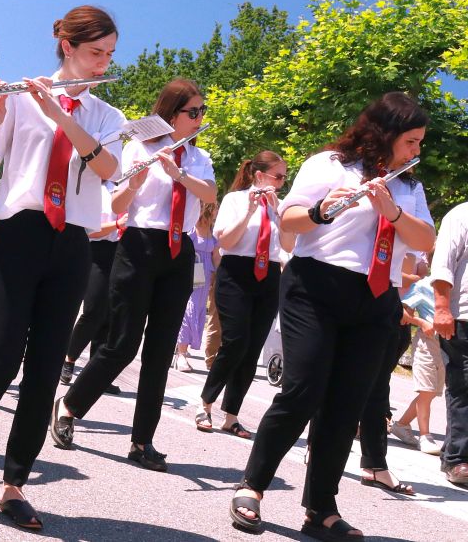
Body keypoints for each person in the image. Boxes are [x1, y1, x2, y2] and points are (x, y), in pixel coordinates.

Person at [0, 5, 125, 530]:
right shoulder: (20, 97)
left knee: (44, 370)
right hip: (18, 233)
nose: (101, 62)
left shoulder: (106, 115)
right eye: (94, 52)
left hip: (71, 242)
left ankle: (14, 483)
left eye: (108, 54)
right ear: (66, 45)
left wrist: (64, 112)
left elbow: (108, 169)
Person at [229, 92, 435, 539]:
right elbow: (289, 220)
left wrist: (393, 212)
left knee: (347, 406)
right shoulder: (329, 164)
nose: (417, 151)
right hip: (316, 287)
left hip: (376, 298)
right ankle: (253, 485)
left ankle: (320, 507)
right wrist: (323, 211)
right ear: (386, 133)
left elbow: (424, 242)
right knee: (302, 390)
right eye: (412, 141)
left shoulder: (409, 186)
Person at [51, 77, 216, 473]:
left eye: (201, 112)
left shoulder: (198, 157)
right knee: (122, 343)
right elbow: (118, 202)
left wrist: (179, 174)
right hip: (140, 245)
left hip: (179, 250)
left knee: (160, 352)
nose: (198, 118)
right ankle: (70, 406)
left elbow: (209, 194)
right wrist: (138, 179)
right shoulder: (138, 147)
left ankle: (142, 440)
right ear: (171, 113)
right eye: (192, 112)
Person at [195, 151, 292, 437]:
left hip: (269, 275)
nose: (282, 182)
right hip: (236, 272)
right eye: (278, 176)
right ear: (259, 175)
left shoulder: (282, 206)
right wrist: (251, 211)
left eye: (284, 177)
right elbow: (225, 239)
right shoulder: (235, 200)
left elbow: (289, 244)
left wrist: (278, 213)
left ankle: (231, 415)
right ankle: (206, 402)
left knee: (252, 349)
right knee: (235, 341)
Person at [60, 182, 126, 394]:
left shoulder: (125, 188)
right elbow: (90, 230)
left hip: (121, 252)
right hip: (97, 252)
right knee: (93, 311)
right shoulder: (96, 188)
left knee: (110, 316)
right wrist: (117, 224)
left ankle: (97, 373)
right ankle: (68, 358)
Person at [431, 200, 468, 486]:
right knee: (463, 386)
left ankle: (455, 450)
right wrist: (442, 309)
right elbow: (443, 262)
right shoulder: (461, 214)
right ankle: (457, 459)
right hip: (463, 316)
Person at [391, 267, 445, 456]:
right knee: (426, 389)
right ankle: (425, 435)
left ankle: (402, 425)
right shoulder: (423, 286)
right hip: (427, 342)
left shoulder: (454, 289)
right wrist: (422, 323)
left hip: (446, 345)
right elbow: (403, 313)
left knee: (430, 393)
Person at [174, 201, 220, 372]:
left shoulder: (211, 231)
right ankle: (181, 354)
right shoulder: (192, 227)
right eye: (215, 208)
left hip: (205, 275)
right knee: (189, 310)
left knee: (200, 310)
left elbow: (215, 257)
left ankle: (182, 348)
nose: (216, 212)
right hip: (191, 271)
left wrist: (218, 275)